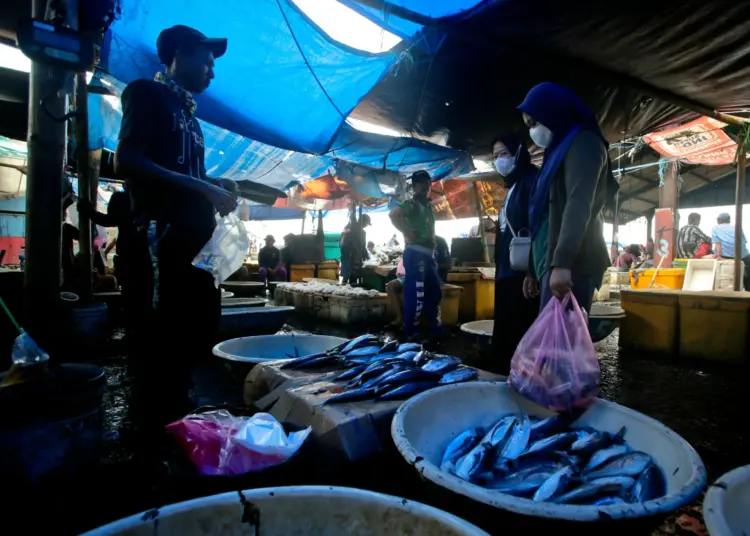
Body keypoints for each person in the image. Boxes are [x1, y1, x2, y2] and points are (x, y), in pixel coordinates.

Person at [114, 25, 237, 450]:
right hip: (159, 241)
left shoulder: (190, 116)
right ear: (178, 55)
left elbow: (187, 175)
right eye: (206, 61)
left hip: (192, 245)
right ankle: (152, 441)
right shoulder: (147, 94)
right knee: (160, 345)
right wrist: (203, 188)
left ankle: (179, 429)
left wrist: (215, 181)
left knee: (193, 337)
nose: (211, 72)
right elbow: (127, 159)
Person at [518, 82, 616, 315]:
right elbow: (544, 215)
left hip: (574, 264)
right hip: (552, 263)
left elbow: (578, 203)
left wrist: (562, 263)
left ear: (553, 110)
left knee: (562, 344)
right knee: (553, 342)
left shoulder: (584, 143)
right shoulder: (557, 151)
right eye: (528, 125)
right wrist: (534, 268)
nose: (533, 131)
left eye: (535, 122)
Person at [487, 133, 540, 371]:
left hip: (522, 274)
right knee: (506, 328)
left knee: (521, 328)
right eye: (495, 156)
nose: (499, 160)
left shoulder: (532, 181)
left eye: (504, 154)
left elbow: (539, 226)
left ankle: (520, 380)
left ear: (518, 153)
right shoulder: (512, 186)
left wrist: (532, 270)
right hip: (507, 272)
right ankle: (504, 377)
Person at [389, 170, 442, 339]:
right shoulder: (411, 204)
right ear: (414, 186)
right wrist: (406, 232)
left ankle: (433, 327)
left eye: (427, 184)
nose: (424, 187)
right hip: (416, 252)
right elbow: (394, 214)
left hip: (428, 255)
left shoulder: (428, 206)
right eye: (420, 184)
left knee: (434, 291)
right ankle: (411, 331)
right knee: (416, 293)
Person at [711, 212, 750, 289]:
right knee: (748, 277)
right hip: (745, 256)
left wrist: (718, 256)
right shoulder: (737, 227)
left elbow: (718, 245)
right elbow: (743, 242)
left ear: (719, 220)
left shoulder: (715, 228)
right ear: (729, 220)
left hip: (728, 257)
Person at [340, 214, 371, 284]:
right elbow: (343, 244)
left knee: (354, 276)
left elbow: (362, 246)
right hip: (348, 256)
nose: (366, 225)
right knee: (347, 274)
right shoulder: (351, 228)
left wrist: (367, 257)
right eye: (366, 223)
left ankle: (351, 288)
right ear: (362, 221)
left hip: (357, 258)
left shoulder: (363, 233)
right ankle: (342, 287)